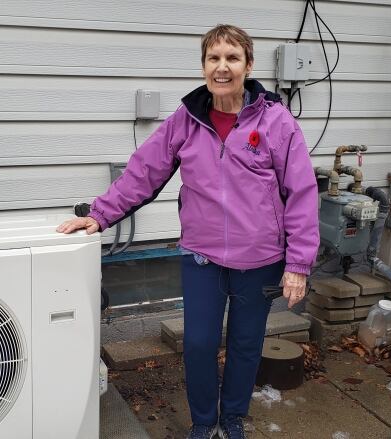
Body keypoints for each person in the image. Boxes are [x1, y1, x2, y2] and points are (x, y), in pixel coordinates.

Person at [57, 24, 319, 439]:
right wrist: (101, 214)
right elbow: (144, 171)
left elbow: (301, 194)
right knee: (198, 344)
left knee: (245, 345)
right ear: (203, 66)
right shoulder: (187, 119)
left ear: (248, 65)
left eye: (232, 58)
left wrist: (299, 264)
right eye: (213, 58)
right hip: (202, 255)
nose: (222, 67)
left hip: (262, 259)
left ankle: (232, 420)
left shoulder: (276, 122)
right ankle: (203, 423)